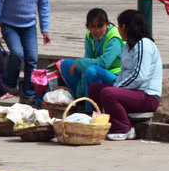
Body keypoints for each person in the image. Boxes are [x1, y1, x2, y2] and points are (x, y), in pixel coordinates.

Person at [88, 9, 162, 141]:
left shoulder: (144, 45)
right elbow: (123, 74)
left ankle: (124, 128)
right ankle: (102, 124)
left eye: (119, 26)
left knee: (108, 93)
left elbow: (140, 76)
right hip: (133, 93)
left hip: (147, 97)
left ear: (124, 27)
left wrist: (117, 89)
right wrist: (117, 86)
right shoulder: (127, 47)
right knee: (95, 89)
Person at [56, 8, 124, 112]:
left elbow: (103, 63)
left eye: (100, 26)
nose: (97, 31)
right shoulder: (89, 37)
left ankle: (91, 110)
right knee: (65, 65)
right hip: (94, 71)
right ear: (87, 27)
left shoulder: (114, 39)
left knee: (91, 70)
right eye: (93, 27)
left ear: (107, 24)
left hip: (114, 77)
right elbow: (87, 60)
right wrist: (81, 90)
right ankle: (81, 100)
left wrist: (79, 63)